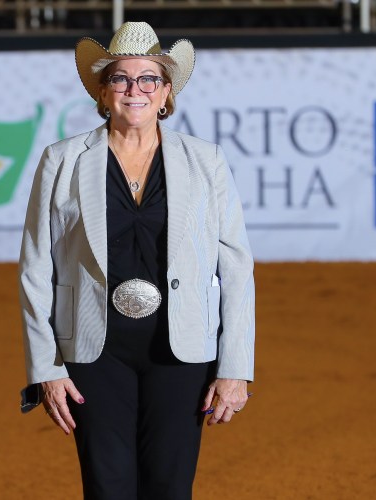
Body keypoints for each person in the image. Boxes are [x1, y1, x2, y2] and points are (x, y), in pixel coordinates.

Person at [18, 21, 255, 500]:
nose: (135, 89)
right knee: (107, 488)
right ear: (103, 92)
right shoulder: (62, 159)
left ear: (166, 92)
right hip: (93, 351)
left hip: (182, 350)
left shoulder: (205, 160)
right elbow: (36, 269)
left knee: (170, 487)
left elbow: (235, 267)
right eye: (121, 78)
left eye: (149, 79)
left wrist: (236, 366)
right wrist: (46, 368)